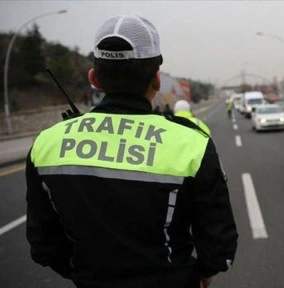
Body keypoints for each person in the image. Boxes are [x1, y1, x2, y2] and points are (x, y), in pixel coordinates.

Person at [25, 15, 237, 288]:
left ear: (94, 78)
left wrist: (85, 274)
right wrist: (199, 274)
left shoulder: (47, 144)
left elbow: (44, 245)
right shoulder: (191, 144)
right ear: (157, 79)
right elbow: (220, 246)